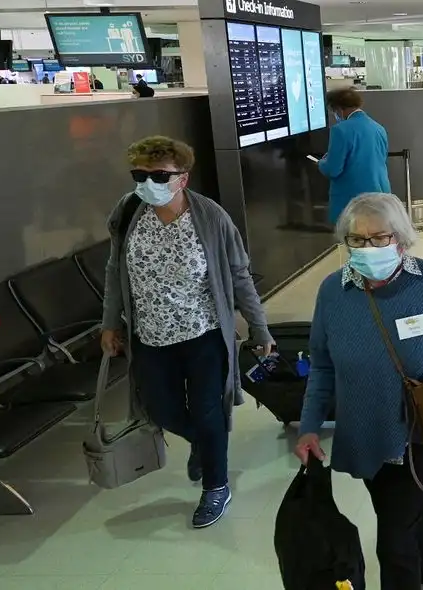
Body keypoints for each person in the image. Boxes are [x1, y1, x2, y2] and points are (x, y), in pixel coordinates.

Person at [295, 193, 423, 590]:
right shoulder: (333, 292)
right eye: (357, 239)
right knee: (397, 514)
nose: (368, 248)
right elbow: (321, 365)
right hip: (363, 429)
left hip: (419, 430)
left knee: (393, 541)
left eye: (379, 238)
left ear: (401, 240)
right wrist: (309, 426)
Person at [100, 136, 275, 528]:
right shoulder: (128, 212)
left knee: (209, 412)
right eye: (140, 175)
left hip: (204, 336)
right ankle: (203, 443)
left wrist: (259, 328)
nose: (148, 183)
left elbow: (239, 275)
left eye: (159, 175)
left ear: (183, 178)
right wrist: (110, 322)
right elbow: (114, 271)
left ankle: (216, 486)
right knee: (160, 410)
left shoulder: (210, 217)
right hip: (149, 337)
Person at [318, 88, 391, 224]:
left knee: (353, 237)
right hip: (381, 194)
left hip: (353, 198)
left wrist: (321, 163)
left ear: (339, 108)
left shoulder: (340, 130)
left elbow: (333, 169)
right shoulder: (378, 128)